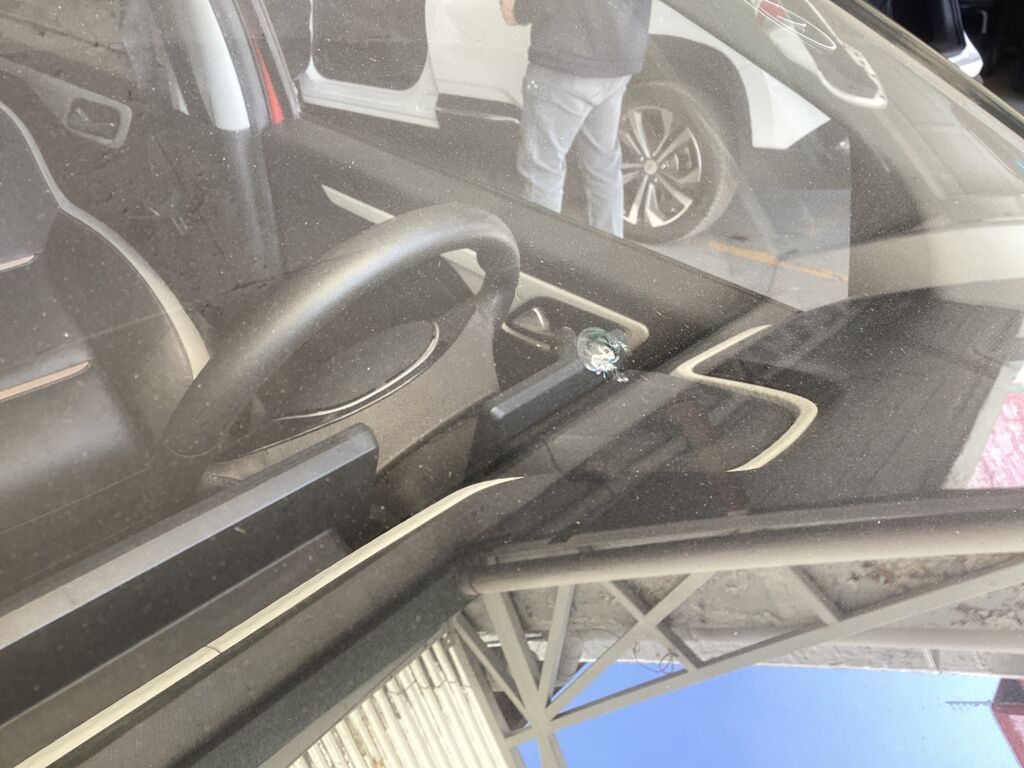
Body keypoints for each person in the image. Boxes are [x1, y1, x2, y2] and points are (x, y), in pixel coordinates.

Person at [500, 0, 653, 237]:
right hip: (618, 60)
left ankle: (540, 254)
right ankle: (609, 250)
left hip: (567, 63)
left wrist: (521, 8)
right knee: (603, 165)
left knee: (543, 169)